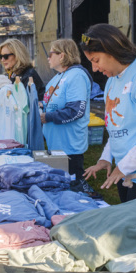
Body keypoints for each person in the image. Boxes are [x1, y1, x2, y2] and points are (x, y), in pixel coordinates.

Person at [81, 23, 136, 202]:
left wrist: (123, 167)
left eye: (96, 60)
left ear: (111, 49)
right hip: (123, 173)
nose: (95, 69)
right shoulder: (112, 81)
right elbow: (116, 128)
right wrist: (106, 158)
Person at [40, 39, 92, 181]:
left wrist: (48, 117)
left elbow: (76, 111)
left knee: (73, 188)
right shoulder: (57, 77)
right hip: (55, 143)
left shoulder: (77, 75)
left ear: (62, 55)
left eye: (51, 54)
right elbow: (52, 104)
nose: (48, 57)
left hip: (69, 146)